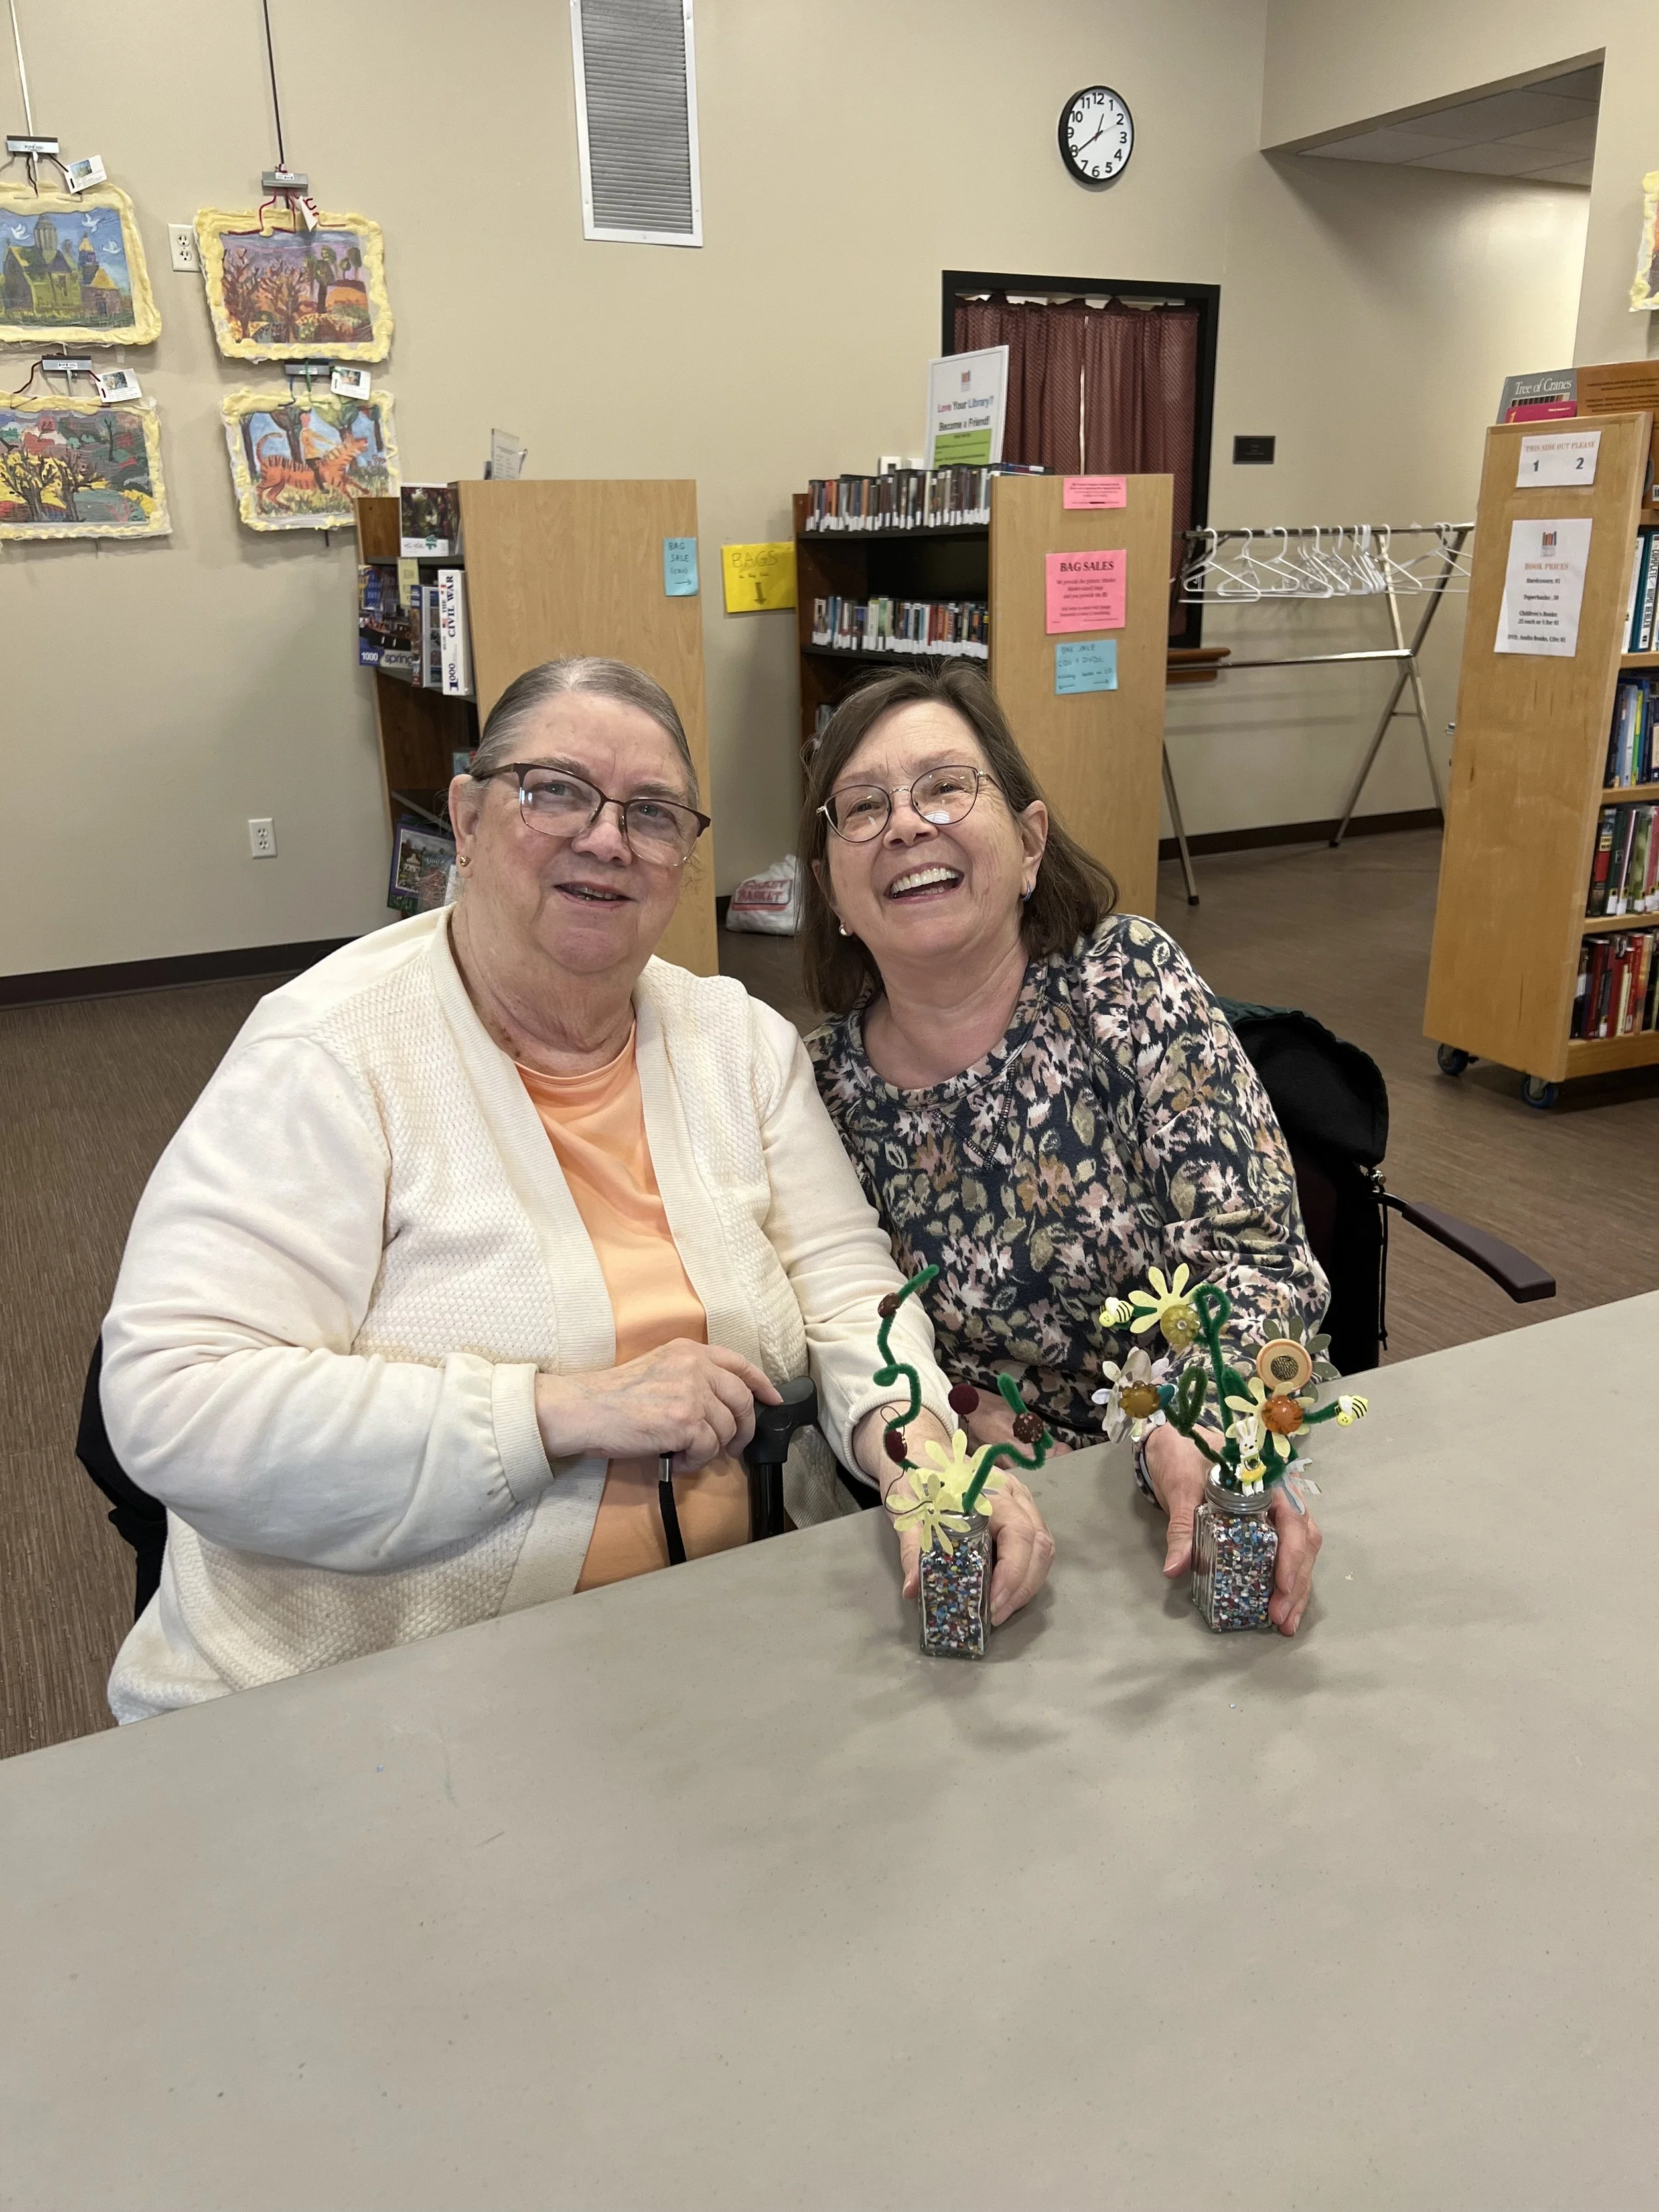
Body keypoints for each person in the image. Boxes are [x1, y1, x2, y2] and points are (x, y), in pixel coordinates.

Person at [100, 657, 1054, 1720]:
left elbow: (846, 1295)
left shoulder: (737, 1042)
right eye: (554, 790)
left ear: (687, 862)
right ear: (465, 818)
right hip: (379, 1695)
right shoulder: (331, 1052)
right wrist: (552, 1410)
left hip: (725, 1639)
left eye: (651, 813)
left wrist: (919, 1452)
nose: (605, 838)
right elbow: (174, 1401)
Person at [802, 664, 1329, 1636]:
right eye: (863, 808)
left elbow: (1253, 1255)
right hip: (991, 1523)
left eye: (946, 786)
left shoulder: (1124, 981)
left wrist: (1193, 1419)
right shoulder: (815, 1091)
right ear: (833, 890)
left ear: (1031, 841)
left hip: (1191, 1488)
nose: (908, 825)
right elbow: (851, 1337)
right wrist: (952, 1437)